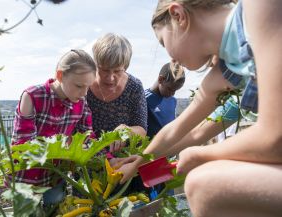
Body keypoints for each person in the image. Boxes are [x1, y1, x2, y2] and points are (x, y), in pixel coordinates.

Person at [117, 0, 282, 216]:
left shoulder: (259, 7)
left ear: (178, 15)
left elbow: (275, 137)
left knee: (203, 185)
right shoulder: (228, 70)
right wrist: (139, 161)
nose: (171, 58)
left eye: (163, 41)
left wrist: (198, 155)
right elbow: (187, 130)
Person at [11, 49, 96, 206]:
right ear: (60, 75)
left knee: (55, 211)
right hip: (26, 179)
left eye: (88, 87)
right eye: (79, 86)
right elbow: (23, 143)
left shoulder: (81, 103)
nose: (84, 93)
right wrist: (68, 148)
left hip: (55, 179)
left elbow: (88, 138)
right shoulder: (32, 96)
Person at [87, 33, 147, 152]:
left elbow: (142, 131)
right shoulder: (84, 84)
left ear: (125, 67)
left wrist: (127, 130)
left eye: (117, 71)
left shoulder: (134, 87)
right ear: (95, 64)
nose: (110, 78)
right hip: (88, 154)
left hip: (121, 157)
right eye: (104, 70)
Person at [146, 61, 185, 139]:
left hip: (167, 148)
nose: (173, 93)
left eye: (175, 90)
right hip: (148, 149)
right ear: (160, 79)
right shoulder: (143, 99)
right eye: (170, 89)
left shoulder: (173, 101)